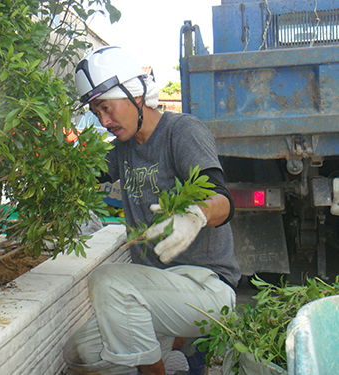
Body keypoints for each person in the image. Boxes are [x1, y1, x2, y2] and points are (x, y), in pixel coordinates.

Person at [63, 46, 241, 375]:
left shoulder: (182, 132)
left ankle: (171, 356)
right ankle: (180, 361)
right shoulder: (123, 150)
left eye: (106, 107)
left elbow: (223, 201)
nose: (103, 121)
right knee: (80, 354)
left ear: (134, 93)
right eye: (96, 111)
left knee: (109, 281)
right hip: (157, 293)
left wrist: (195, 215)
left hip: (207, 288)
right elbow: (80, 174)